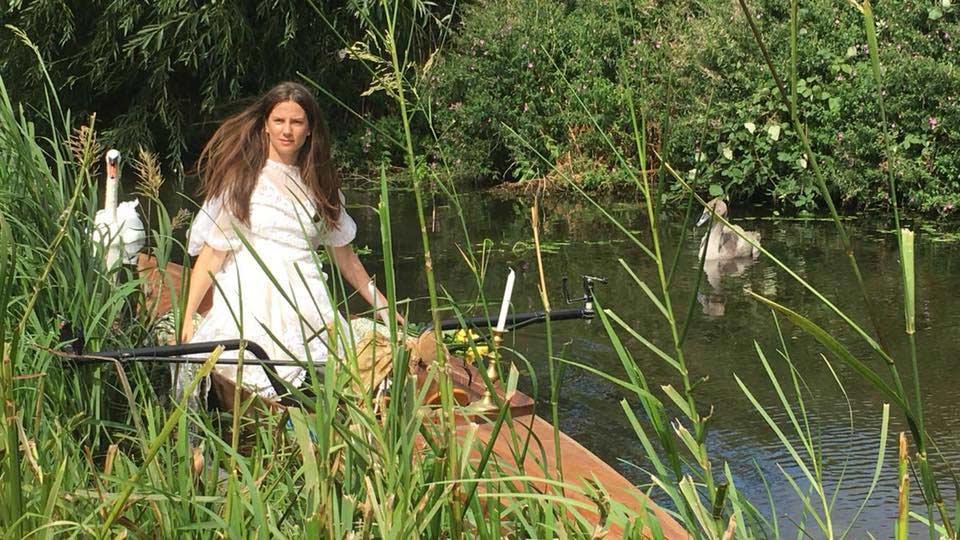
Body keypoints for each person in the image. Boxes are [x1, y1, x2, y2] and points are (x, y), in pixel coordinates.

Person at [180, 81, 402, 397]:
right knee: (255, 367)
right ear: (266, 127)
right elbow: (213, 256)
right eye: (279, 121)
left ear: (309, 130)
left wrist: (383, 306)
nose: (287, 131)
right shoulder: (243, 181)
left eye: (297, 122)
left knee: (327, 370)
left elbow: (346, 259)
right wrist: (188, 318)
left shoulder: (320, 184)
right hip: (252, 292)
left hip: (307, 293)